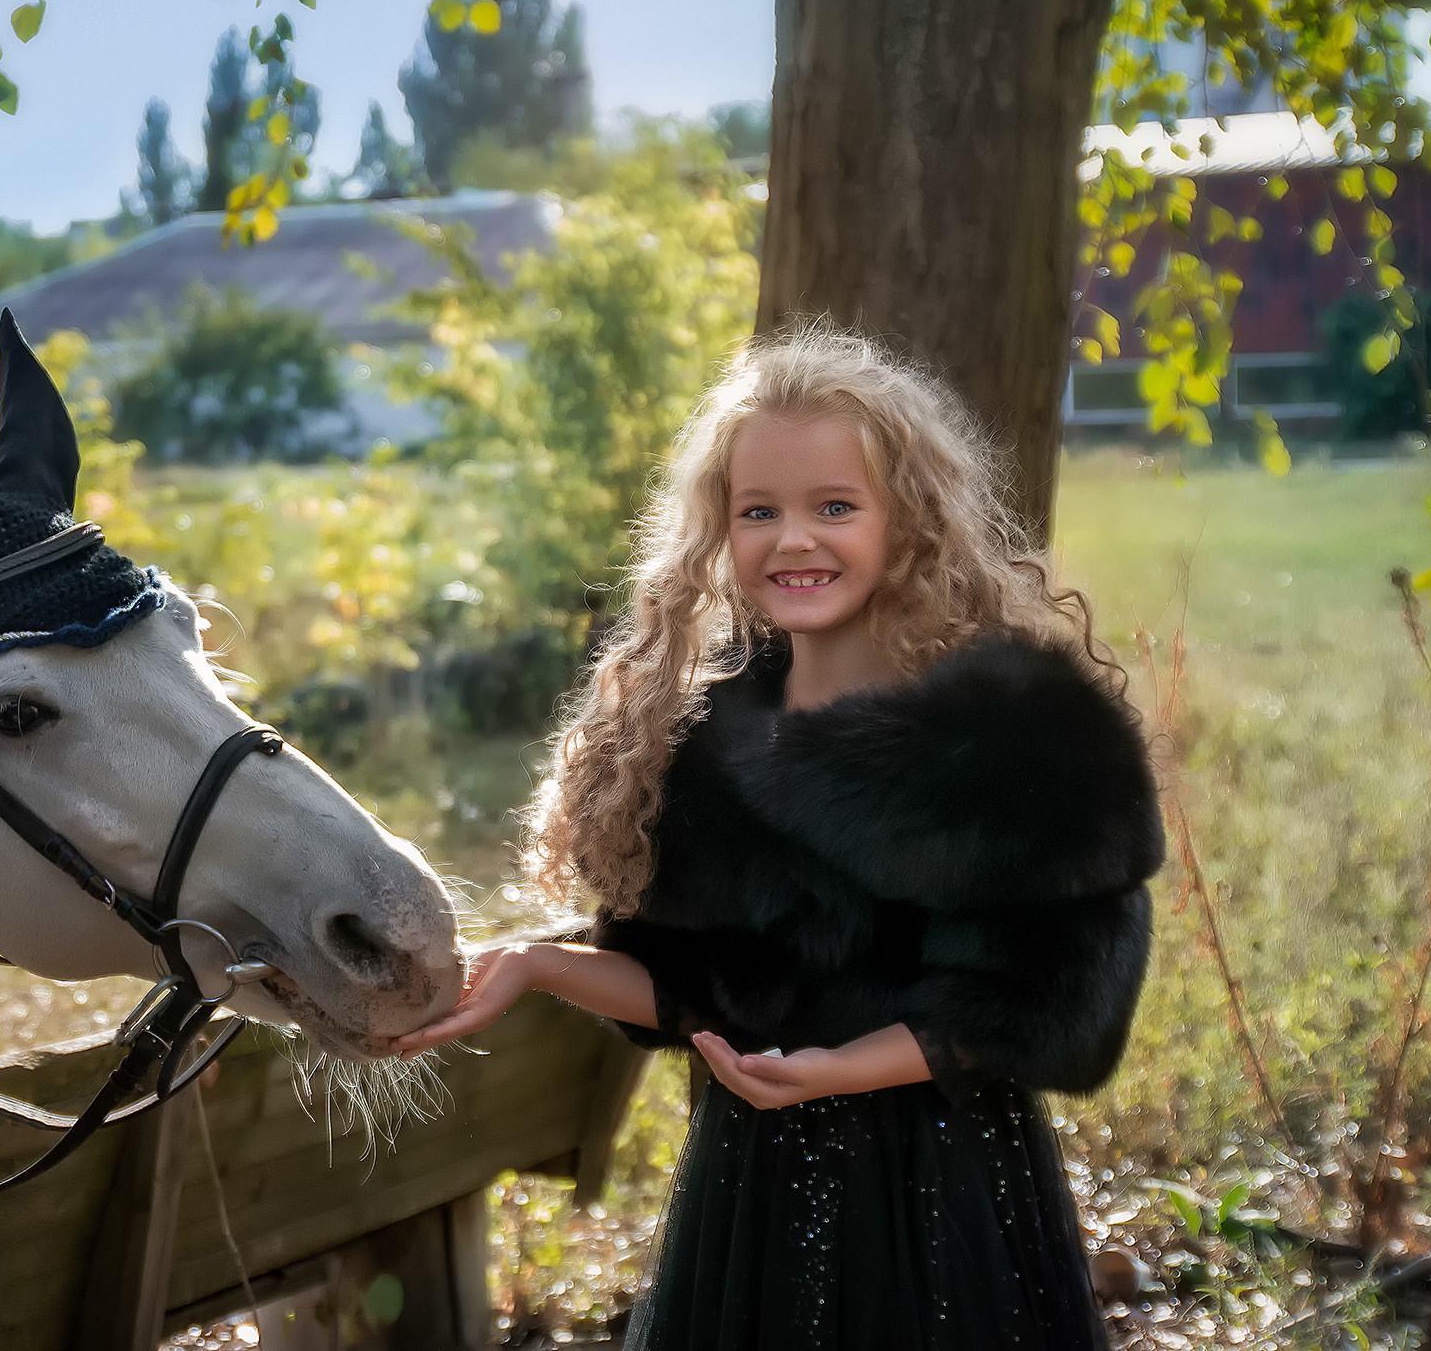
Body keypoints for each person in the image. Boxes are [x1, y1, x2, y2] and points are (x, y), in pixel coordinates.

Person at [393, 326, 1164, 1349]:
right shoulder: (702, 745)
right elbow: (704, 996)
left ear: (912, 518)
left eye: (834, 507)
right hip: (753, 1191)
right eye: (759, 511)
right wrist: (539, 963)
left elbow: (1053, 998)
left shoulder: (1015, 738)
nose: (793, 540)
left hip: (946, 1193)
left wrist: (843, 1070)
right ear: (719, 530)